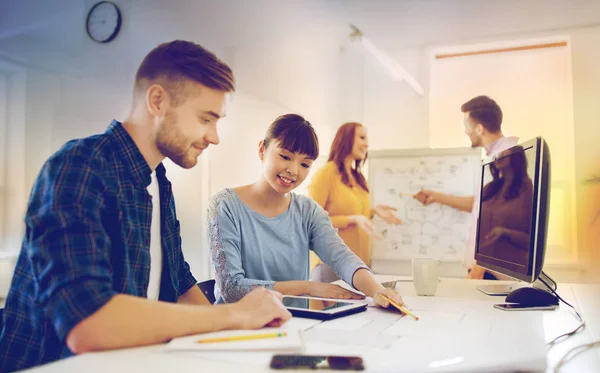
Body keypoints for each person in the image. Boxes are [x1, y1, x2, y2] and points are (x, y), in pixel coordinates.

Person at [0, 40, 291, 373]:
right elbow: (87, 322)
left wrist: (247, 339)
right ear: (157, 101)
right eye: (205, 119)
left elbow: (179, 283)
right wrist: (235, 314)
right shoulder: (78, 166)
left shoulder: (159, 180)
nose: (214, 137)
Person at [207, 114, 404, 308]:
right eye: (285, 156)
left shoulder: (308, 212)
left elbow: (342, 258)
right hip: (234, 328)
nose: (293, 170)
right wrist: (308, 287)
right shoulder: (225, 206)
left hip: (292, 326)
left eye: (304, 164)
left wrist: (377, 290)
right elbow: (232, 288)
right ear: (262, 150)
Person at [414, 95, 518, 280]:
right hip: (486, 265)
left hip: (490, 267)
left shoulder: (504, 158)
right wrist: (437, 197)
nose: (465, 131)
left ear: (479, 128)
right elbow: (480, 205)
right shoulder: (492, 158)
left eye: (466, 125)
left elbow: (503, 217)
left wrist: (480, 264)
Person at [307, 122, 402, 282]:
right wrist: (352, 219)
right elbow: (310, 222)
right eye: (362, 137)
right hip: (332, 265)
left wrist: (373, 211)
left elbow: (353, 212)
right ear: (346, 139)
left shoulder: (357, 177)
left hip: (358, 265)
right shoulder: (326, 174)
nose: (367, 143)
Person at [478, 146, 534, 266]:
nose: (498, 155)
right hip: (483, 265)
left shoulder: (527, 188)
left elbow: (534, 239)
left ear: (516, 155)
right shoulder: (489, 188)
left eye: (504, 150)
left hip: (510, 268)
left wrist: (506, 233)